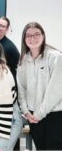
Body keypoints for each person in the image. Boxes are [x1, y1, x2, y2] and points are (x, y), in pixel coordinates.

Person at [17, 22, 62, 150]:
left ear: (43, 35)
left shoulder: (55, 57)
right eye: (28, 35)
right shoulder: (23, 60)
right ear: (24, 39)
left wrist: (39, 114)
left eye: (36, 34)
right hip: (33, 117)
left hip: (54, 115)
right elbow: (21, 90)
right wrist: (26, 111)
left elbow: (56, 91)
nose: (32, 38)